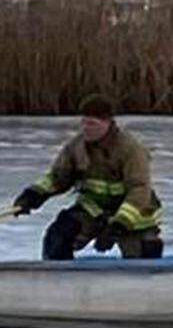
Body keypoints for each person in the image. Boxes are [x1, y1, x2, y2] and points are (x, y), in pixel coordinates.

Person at [13, 95, 164, 260]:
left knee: (144, 256)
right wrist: (34, 194)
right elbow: (58, 178)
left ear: (108, 123)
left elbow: (139, 189)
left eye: (92, 124)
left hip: (132, 215)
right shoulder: (76, 147)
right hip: (93, 209)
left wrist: (118, 225)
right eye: (83, 123)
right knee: (58, 236)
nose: (86, 128)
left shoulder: (130, 150)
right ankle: (58, 279)